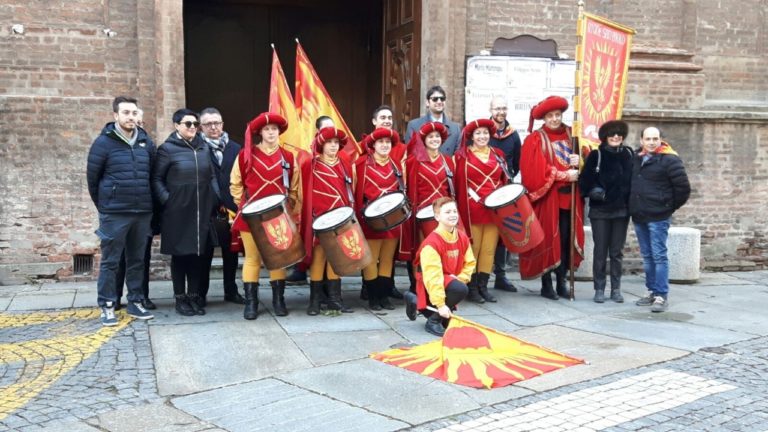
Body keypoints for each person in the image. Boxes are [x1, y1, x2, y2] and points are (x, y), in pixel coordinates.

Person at [87, 96, 156, 325]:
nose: (131, 117)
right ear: (115, 116)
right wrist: (106, 207)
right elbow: (93, 180)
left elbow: (153, 175)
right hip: (115, 213)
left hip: (142, 212)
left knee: (137, 260)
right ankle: (107, 304)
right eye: (125, 113)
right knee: (111, 261)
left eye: (134, 113)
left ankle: (135, 301)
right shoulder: (103, 143)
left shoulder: (146, 141)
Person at [230, 112, 301, 320]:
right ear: (260, 132)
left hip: (278, 217)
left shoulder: (288, 157)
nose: (271, 133)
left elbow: (295, 188)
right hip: (250, 217)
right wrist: (244, 206)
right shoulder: (246, 154)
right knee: (252, 259)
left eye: (275, 129)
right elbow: (236, 184)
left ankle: (279, 300)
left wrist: (290, 210)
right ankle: (251, 303)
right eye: (267, 129)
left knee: (278, 259)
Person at [153, 109, 221, 316]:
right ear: (176, 125)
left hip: (200, 211)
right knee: (180, 257)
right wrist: (169, 200)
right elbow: (156, 179)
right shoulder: (167, 149)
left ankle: (193, 296)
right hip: (177, 213)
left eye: (194, 124)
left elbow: (211, 176)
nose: (192, 127)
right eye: (187, 124)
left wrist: (215, 197)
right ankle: (180, 298)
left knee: (197, 256)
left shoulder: (203, 148)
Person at [519, 96, 585, 300]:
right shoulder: (535, 139)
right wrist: (563, 175)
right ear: (544, 118)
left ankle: (562, 281)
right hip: (548, 199)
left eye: (557, 115)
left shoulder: (573, 134)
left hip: (570, 200)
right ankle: (546, 284)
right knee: (548, 240)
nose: (555, 119)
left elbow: (588, 161)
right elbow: (533, 171)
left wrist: (580, 160)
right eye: (550, 116)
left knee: (566, 240)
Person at [630, 126, 690, 312]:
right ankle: (651, 291)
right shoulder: (635, 158)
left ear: (660, 140)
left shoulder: (670, 159)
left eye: (655, 139)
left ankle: (661, 295)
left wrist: (667, 207)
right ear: (641, 141)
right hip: (640, 215)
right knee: (647, 257)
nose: (651, 142)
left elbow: (683, 189)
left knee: (659, 256)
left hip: (658, 217)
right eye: (648, 139)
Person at [299, 126, 355, 315]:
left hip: (340, 219)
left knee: (336, 258)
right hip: (319, 220)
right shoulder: (310, 165)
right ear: (321, 145)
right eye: (329, 142)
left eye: (336, 143)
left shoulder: (345, 164)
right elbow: (303, 193)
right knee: (319, 258)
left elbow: (350, 190)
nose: (332, 146)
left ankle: (335, 299)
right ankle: (314, 301)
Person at [455, 118, 511, 303]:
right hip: (472, 208)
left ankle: (483, 286)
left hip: (494, 209)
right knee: (474, 248)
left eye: (485, 133)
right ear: (471, 136)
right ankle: (471, 288)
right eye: (478, 133)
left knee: (488, 250)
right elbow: (457, 184)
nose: (482, 136)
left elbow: (504, 180)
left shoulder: (498, 154)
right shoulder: (462, 156)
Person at [578, 120, 633, 303]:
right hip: (600, 211)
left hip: (621, 211)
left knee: (616, 252)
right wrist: (594, 191)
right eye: (612, 134)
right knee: (600, 251)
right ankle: (599, 288)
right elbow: (584, 182)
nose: (616, 137)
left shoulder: (629, 154)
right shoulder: (596, 155)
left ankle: (616, 289)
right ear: (605, 137)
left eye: (619, 134)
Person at [405, 197, 475, 337]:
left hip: (448, 281)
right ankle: (433, 321)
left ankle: (415, 301)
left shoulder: (462, 237)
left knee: (457, 291)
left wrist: (460, 278)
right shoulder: (431, 244)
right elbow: (432, 277)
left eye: (454, 211)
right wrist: (441, 305)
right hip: (431, 284)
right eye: (447, 212)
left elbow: (470, 263)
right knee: (460, 290)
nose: (453, 215)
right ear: (437, 216)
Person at [197, 107, 245, 306]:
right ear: (201, 127)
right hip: (207, 209)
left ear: (222, 124)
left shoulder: (236, 148)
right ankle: (201, 294)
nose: (213, 127)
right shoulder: (197, 148)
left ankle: (231, 290)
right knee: (204, 255)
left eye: (217, 123)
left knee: (231, 254)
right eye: (208, 124)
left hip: (231, 209)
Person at [354, 127, 406, 310]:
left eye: (387, 143)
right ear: (373, 145)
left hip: (393, 220)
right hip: (370, 221)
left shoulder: (397, 165)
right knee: (371, 258)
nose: (384, 146)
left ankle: (384, 296)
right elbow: (355, 192)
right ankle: (373, 296)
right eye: (380, 142)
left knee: (387, 258)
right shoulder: (361, 165)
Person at [400, 122, 456, 286]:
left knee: (443, 250)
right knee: (423, 249)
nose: (434, 139)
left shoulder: (448, 161)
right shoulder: (414, 161)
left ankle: (440, 284)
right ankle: (417, 285)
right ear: (423, 140)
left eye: (437, 136)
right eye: (430, 137)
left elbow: (452, 188)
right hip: (422, 213)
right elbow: (409, 188)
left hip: (443, 214)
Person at [114, 108, 157, 311]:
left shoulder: (149, 145)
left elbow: (155, 176)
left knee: (141, 257)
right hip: (119, 209)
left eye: (141, 122)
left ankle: (141, 296)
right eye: (135, 122)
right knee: (118, 256)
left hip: (143, 210)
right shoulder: (114, 143)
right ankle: (114, 296)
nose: (138, 125)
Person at [286, 115, 336, 285]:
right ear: (317, 132)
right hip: (314, 214)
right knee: (317, 252)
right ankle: (317, 295)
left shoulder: (339, 158)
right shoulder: (308, 159)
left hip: (335, 214)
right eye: (325, 129)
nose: (330, 134)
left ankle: (333, 295)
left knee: (334, 255)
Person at [488, 95, 522, 294]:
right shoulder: (483, 132)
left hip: (504, 189)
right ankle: (477, 275)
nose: (500, 112)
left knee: (503, 232)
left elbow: (516, 163)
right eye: (497, 108)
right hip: (483, 189)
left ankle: (500, 275)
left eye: (503, 108)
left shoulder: (513, 135)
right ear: (490, 110)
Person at [404, 86, 462, 156]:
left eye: (442, 99)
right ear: (427, 103)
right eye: (435, 99)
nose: (439, 101)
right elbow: (410, 154)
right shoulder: (414, 126)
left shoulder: (455, 129)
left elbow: (458, 157)